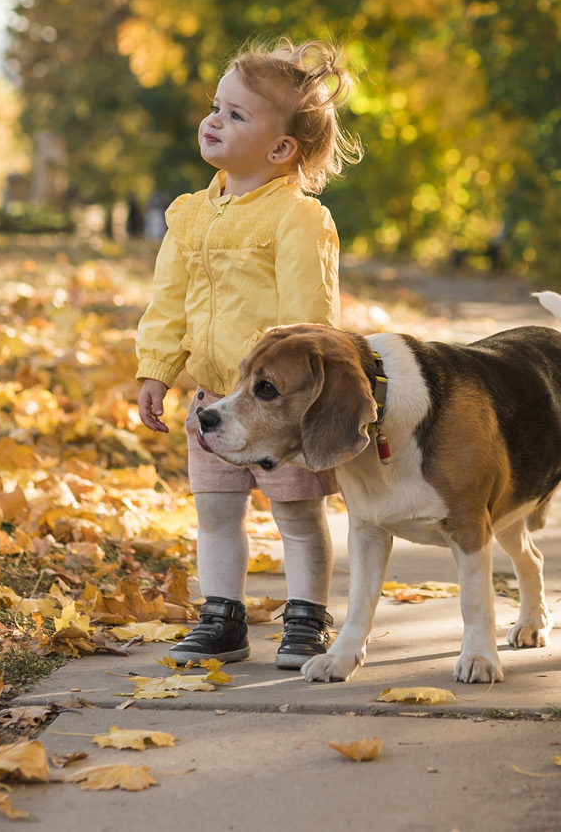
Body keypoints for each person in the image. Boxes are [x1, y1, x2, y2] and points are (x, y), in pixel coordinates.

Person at [135, 39, 362, 668]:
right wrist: (156, 369)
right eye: (216, 106)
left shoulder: (297, 220)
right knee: (215, 513)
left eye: (236, 115)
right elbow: (168, 302)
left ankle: (306, 619)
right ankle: (222, 617)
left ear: (281, 148)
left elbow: (309, 321)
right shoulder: (189, 217)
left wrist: (299, 402)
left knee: (295, 513)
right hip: (213, 402)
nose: (214, 120)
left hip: (274, 409)